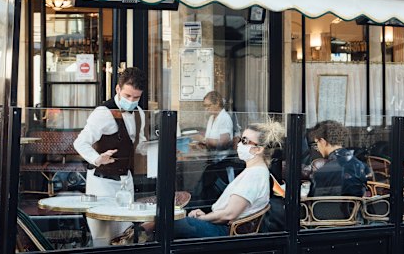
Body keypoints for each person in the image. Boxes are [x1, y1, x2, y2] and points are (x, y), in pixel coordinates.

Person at [142, 121, 284, 239]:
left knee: (164, 223)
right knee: (164, 222)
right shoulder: (254, 172)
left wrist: (201, 219)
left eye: (245, 141)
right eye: (241, 139)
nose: (239, 144)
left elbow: (230, 214)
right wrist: (206, 216)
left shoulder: (255, 175)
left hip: (223, 232)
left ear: (258, 149)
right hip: (221, 227)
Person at [73, 67, 147, 246]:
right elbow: (80, 142)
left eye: (136, 97)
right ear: (118, 89)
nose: (131, 101)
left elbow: (139, 144)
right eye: (128, 96)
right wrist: (98, 158)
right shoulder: (102, 113)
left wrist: (154, 150)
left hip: (126, 182)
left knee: (125, 237)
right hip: (102, 183)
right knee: (103, 238)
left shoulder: (140, 113)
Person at [307, 120, 370, 197]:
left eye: (317, 144)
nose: (317, 149)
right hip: (354, 208)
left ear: (323, 141)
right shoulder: (360, 166)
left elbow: (313, 203)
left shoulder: (320, 173)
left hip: (326, 208)